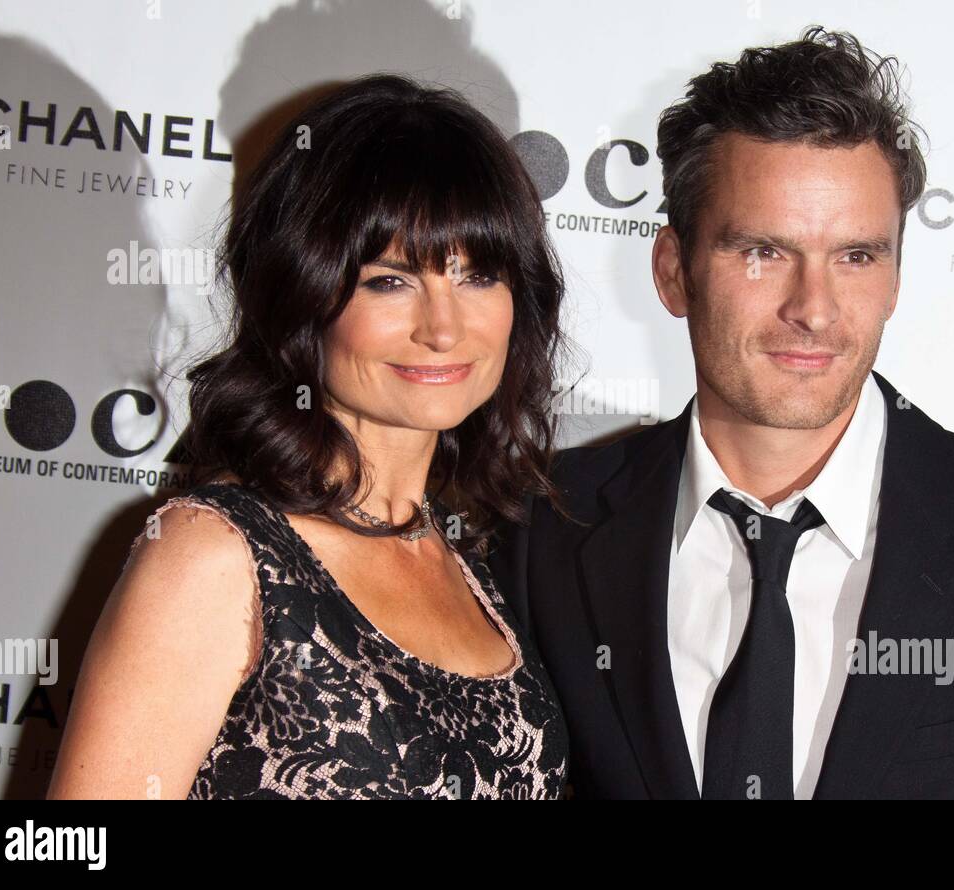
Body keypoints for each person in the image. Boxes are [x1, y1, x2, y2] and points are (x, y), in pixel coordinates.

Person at [487, 26, 954, 799]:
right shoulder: (545, 526)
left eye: (856, 256)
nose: (813, 309)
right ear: (672, 271)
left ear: (894, 278)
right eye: (762, 251)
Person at [48, 74, 570, 799]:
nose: (444, 328)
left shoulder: (463, 556)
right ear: (302, 294)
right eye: (389, 281)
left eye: (478, 276)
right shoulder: (216, 556)